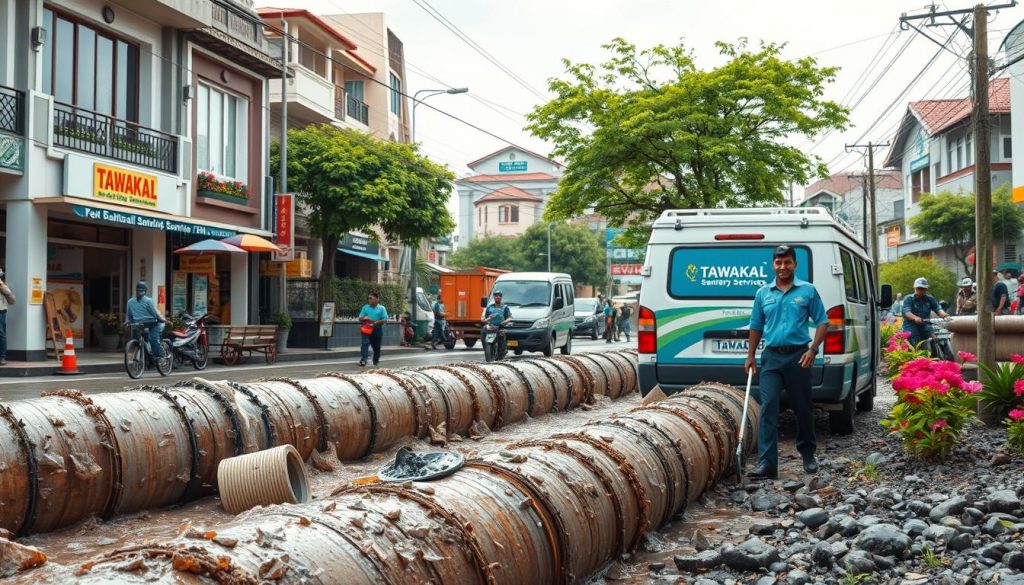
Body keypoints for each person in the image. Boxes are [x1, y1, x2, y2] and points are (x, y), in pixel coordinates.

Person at [744, 245, 829, 480]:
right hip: (771, 357)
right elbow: (756, 326)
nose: (783, 267)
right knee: (768, 407)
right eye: (778, 263)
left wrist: (813, 350)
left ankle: (808, 454)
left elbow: (823, 322)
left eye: (787, 262)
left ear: (795, 264)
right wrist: (750, 356)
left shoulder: (808, 291)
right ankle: (767, 464)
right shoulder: (763, 293)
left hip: (798, 356)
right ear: (773, 265)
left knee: (803, 407)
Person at [901, 277, 950, 347]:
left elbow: (937, 308)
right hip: (911, 325)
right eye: (918, 288)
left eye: (923, 288)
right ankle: (915, 355)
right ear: (914, 288)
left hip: (925, 324)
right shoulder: (909, 298)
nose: (920, 290)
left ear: (926, 289)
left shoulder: (929, 299)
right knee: (914, 340)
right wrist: (915, 318)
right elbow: (906, 312)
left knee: (935, 340)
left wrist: (945, 316)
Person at [125, 281, 167, 361]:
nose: (139, 292)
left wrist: (161, 320)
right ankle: (147, 355)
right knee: (138, 338)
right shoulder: (130, 302)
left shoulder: (148, 301)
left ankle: (159, 356)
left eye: (141, 290)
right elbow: (130, 316)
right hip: (140, 324)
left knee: (153, 339)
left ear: (145, 291)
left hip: (153, 323)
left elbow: (154, 313)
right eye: (138, 290)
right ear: (136, 290)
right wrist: (128, 322)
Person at [358, 292, 389, 366]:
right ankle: (363, 360)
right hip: (367, 328)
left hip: (377, 328)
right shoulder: (365, 307)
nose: (369, 300)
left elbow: (385, 319)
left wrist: (374, 322)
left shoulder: (382, 308)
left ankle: (376, 360)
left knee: (376, 346)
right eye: (368, 298)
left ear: (377, 299)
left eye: (371, 298)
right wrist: (364, 318)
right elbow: (360, 317)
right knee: (365, 344)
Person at [0, 270, 15, 366]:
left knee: (1, 333)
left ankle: (2, 357)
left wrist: (1, 284)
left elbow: (9, 293)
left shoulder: (3, 286)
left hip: (1, 311)